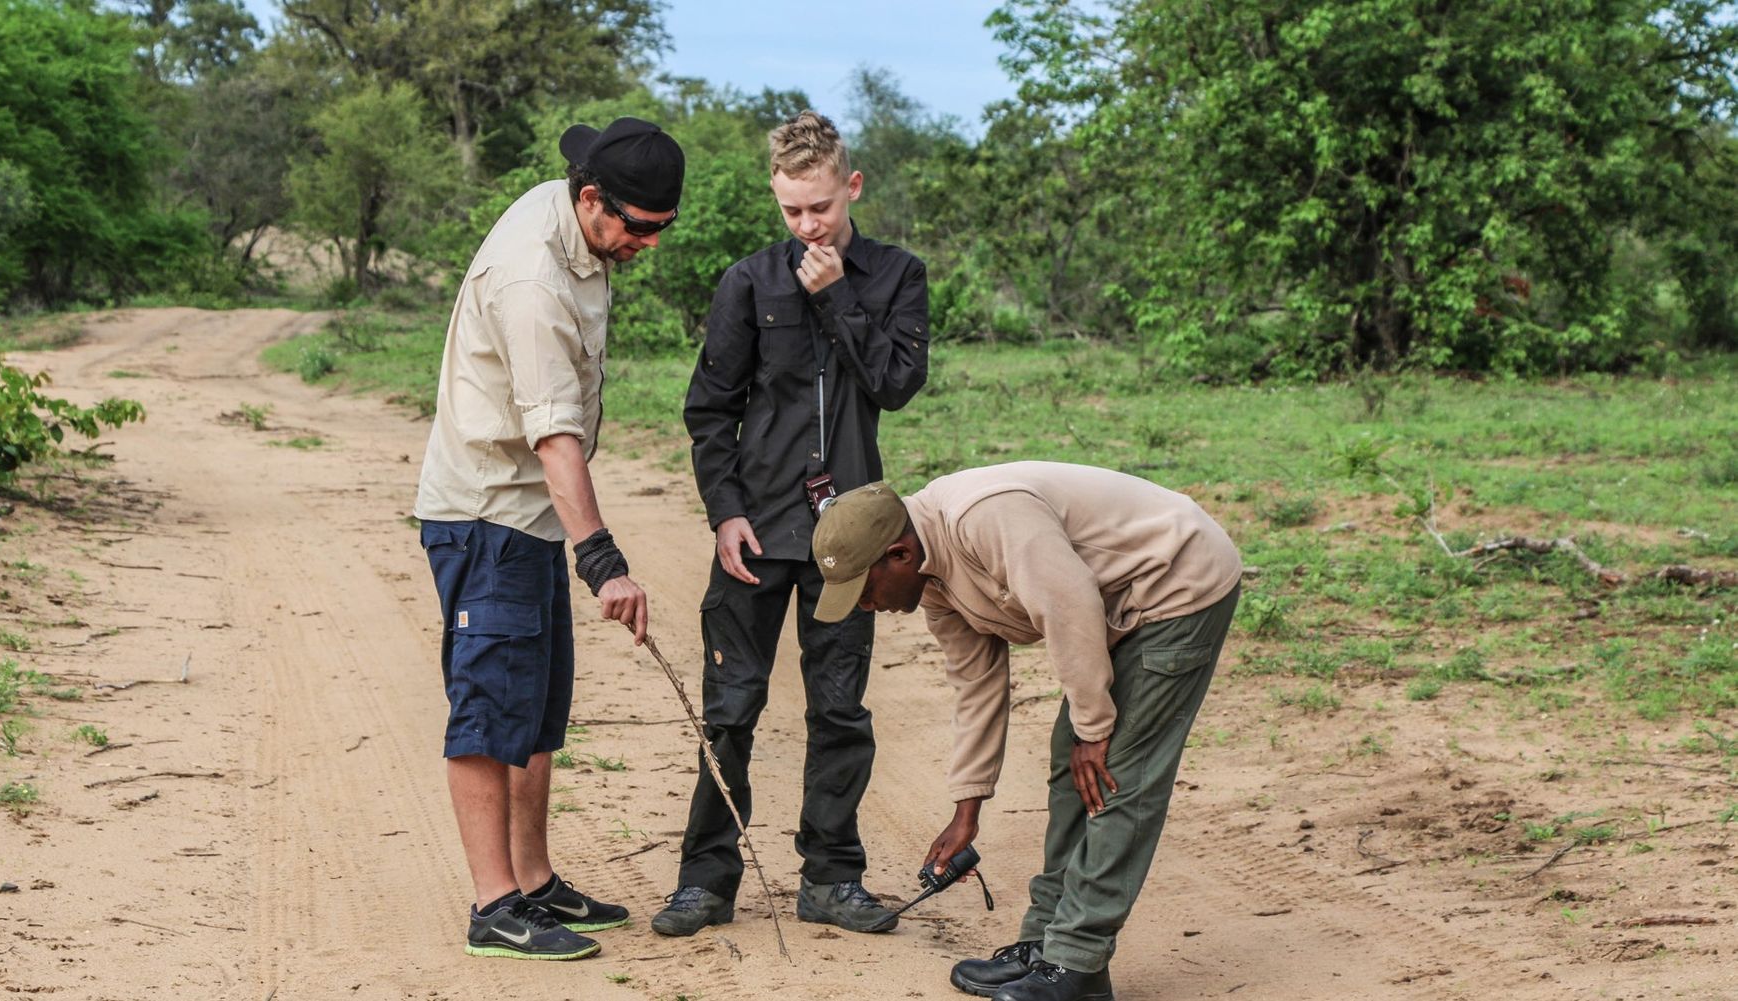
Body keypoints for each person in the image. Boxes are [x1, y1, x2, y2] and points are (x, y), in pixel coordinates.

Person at [810, 463, 1243, 1001]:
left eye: (865, 589)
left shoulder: (984, 517)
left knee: (1115, 775)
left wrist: (1094, 728)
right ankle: (1045, 943)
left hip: (1177, 583)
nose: (865, 606)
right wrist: (967, 807)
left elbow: (1069, 605)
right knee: (1072, 764)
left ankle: (1078, 965)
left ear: (899, 555)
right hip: (1117, 606)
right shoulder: (934, 579)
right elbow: (978, 687)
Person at [651, 111, 929, 938]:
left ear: (851, 186)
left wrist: (838, 293)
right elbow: (710, 410)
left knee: (840, 710)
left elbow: (896, 384)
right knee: (730, 707)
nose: (808, 226)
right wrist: (725, 513)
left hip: (849, 539)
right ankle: (705, 880)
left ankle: (831, 878)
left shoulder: (895, 276)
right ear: (776, 199)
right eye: (792, 212)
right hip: (756, 532)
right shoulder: (746, 282)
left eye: (821, 208)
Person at [413, 116, 684, 961]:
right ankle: (494, 904)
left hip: (527, 515)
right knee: (490, 706)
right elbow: (554, 435)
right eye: (636, 227)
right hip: (487, 512)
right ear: (591, 196)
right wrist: (603, 560)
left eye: (660, 231)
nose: (645, 244)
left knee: (534, 709)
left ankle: (534, 880)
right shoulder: (534, 278)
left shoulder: (579, 226)